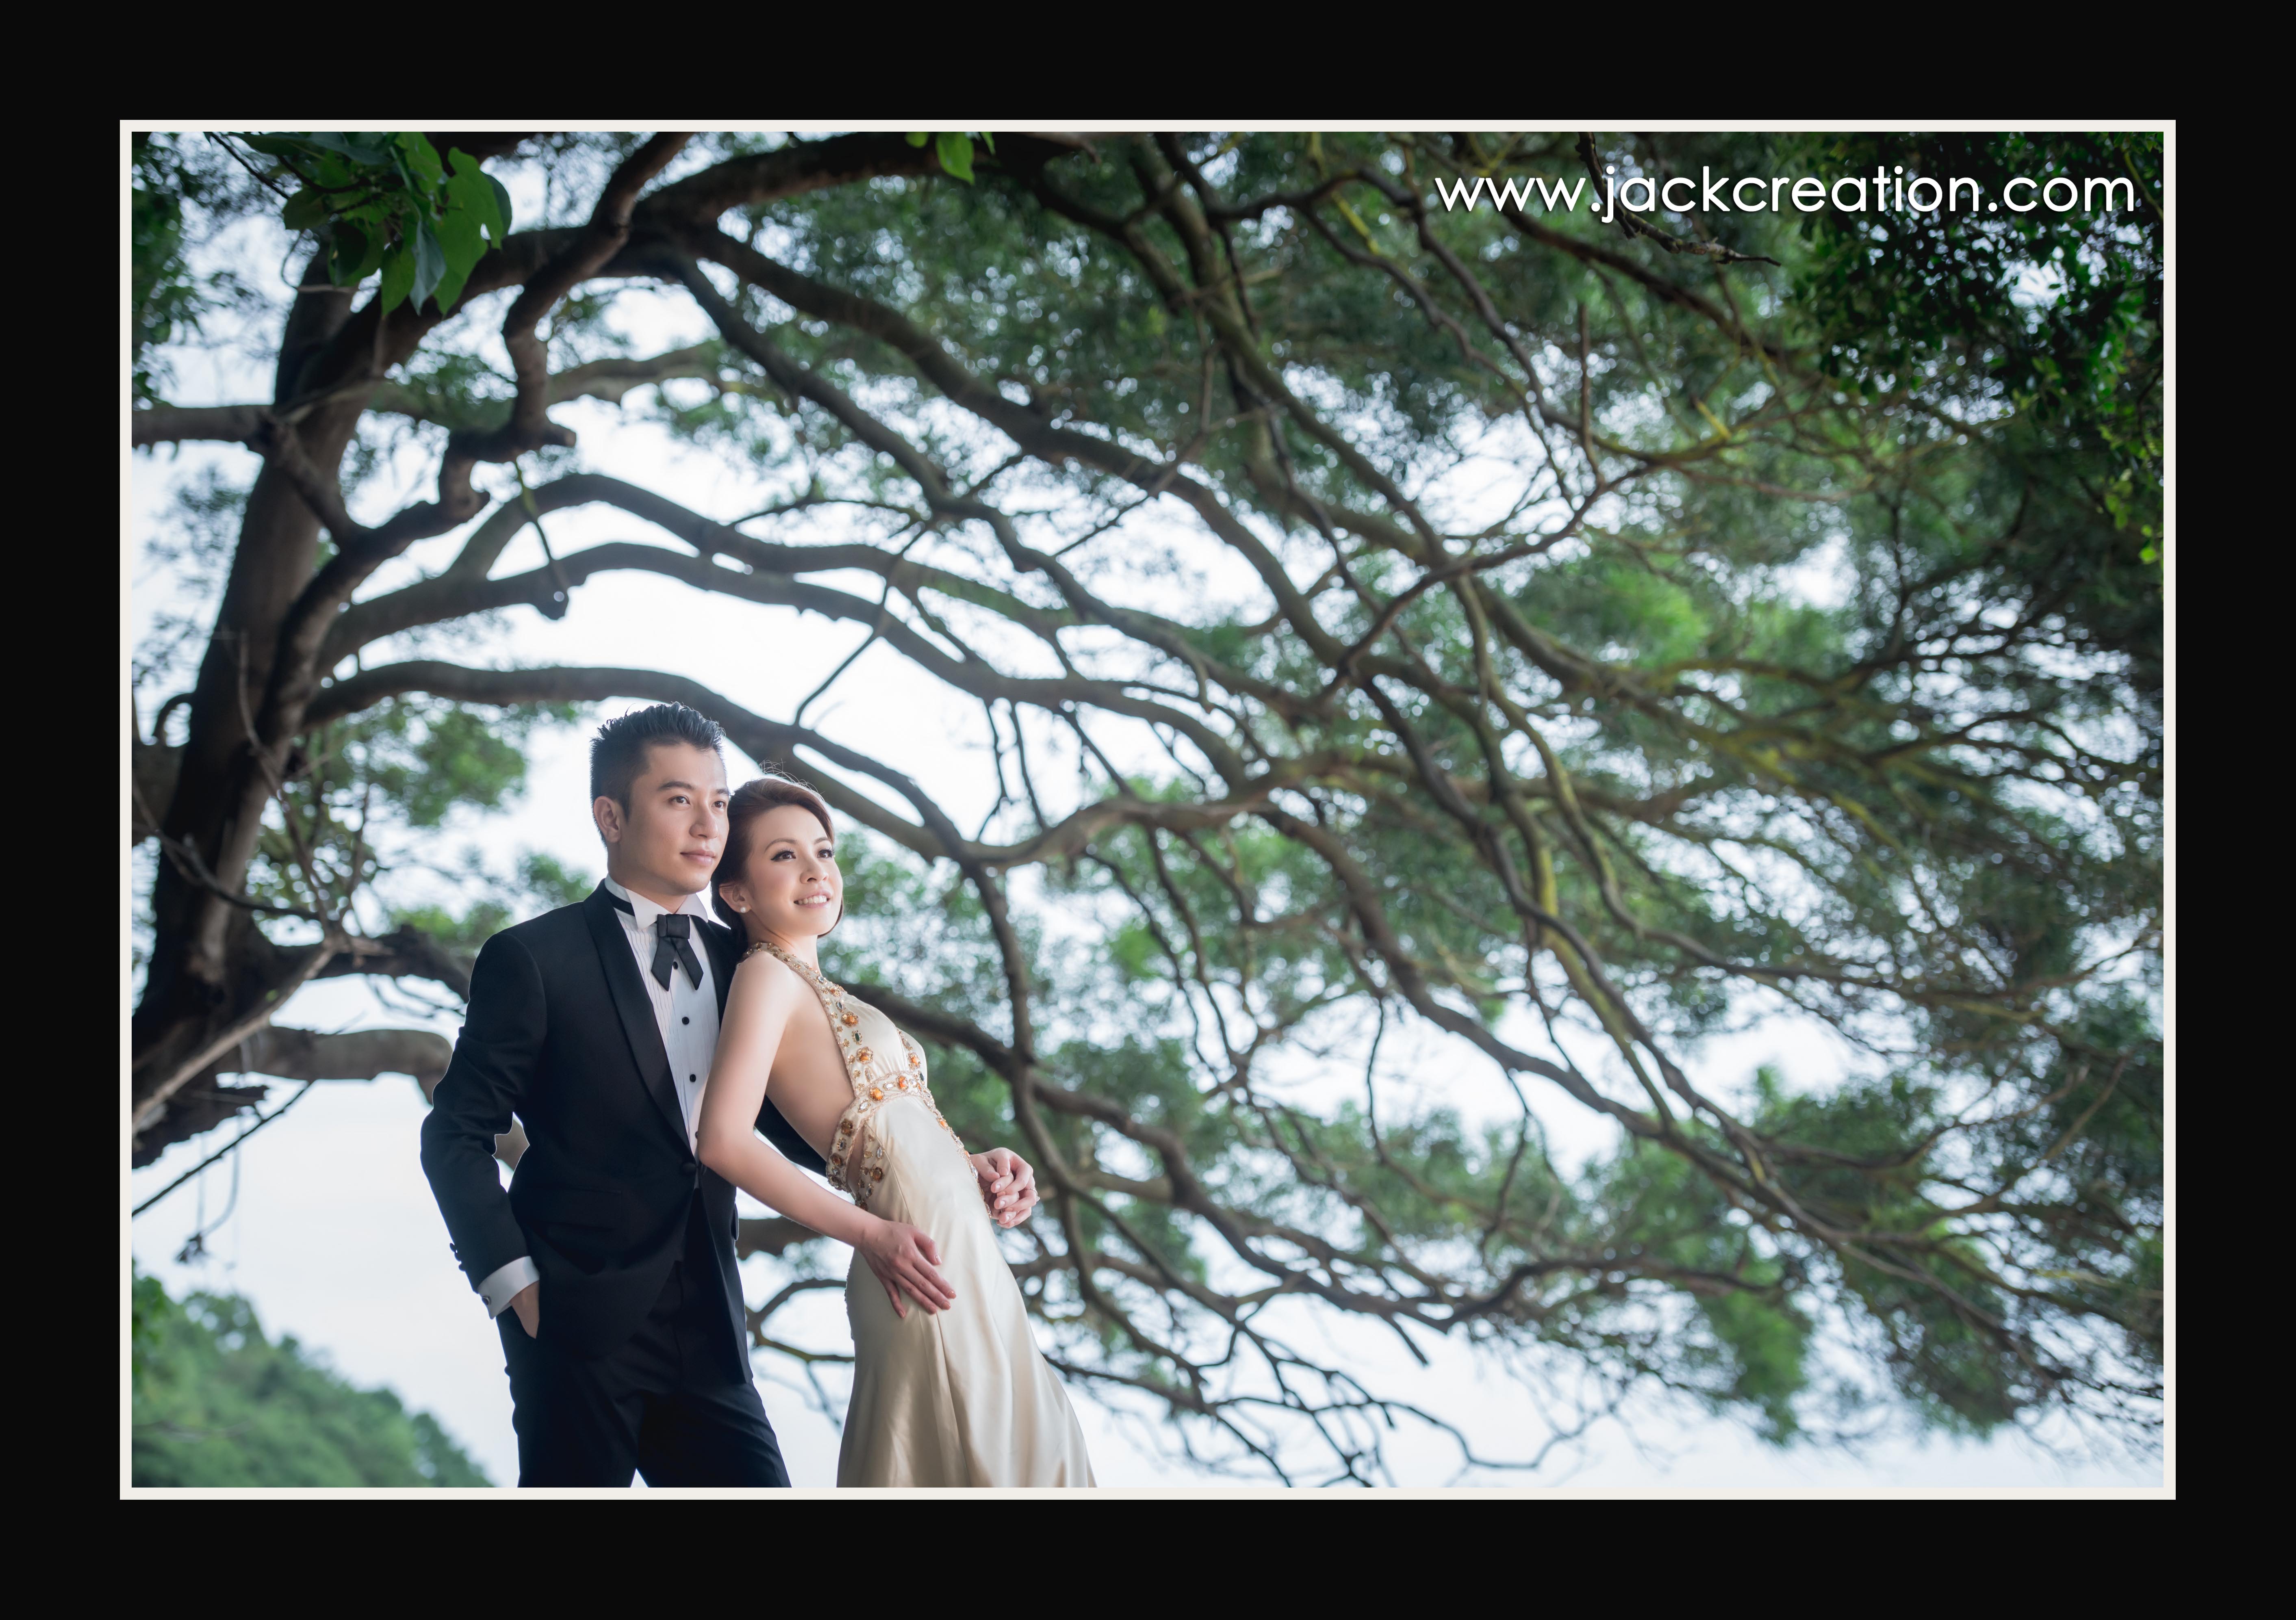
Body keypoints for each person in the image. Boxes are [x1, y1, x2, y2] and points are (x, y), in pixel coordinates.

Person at [418, 704, 1041, 1486]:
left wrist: (953, 1167)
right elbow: (455, 1134)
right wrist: (516, 1287)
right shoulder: (534, 958)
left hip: (711, 1321)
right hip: (573, 1316)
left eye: (717, 802)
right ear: (611, 817)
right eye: (678, 800)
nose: (707, 823)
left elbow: (794, 1119)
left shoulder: (749, 962)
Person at [698, 773, 1096, 1486]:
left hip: (962, 1249)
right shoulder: (764, 978)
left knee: (1026, 1459)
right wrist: (870, 1234)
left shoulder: (819, 987)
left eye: (823, 851)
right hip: (916, 1260)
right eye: (784, 855)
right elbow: (722, 1141)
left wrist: (976, 1164)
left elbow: (892, 1126)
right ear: (736, 893)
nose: (816, 870)